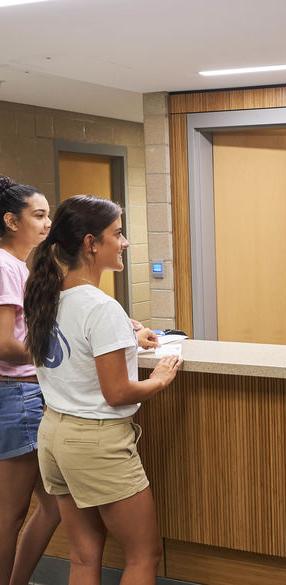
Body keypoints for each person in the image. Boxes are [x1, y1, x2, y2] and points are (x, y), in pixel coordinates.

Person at [23, 195, 182, 585]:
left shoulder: (46, 297)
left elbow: (78, 339)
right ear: (92, 243)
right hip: (96, 443)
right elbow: (118, 392)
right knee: (144, 554)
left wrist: (127, 333)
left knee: (82, 555)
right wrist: (157, 379)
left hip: (56, 435)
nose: (124, 242)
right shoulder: (100, 307)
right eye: (118, 233)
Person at [0, 176, 60, 585]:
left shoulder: (20, 265)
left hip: (26, 396)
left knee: (52, 507)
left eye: (48, 214)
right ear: (10, 220)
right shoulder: (6, 267)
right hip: (19, 397)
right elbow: (5, 344)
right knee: (11, 513)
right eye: (38, 215)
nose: (47, 222)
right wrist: (55, 354)